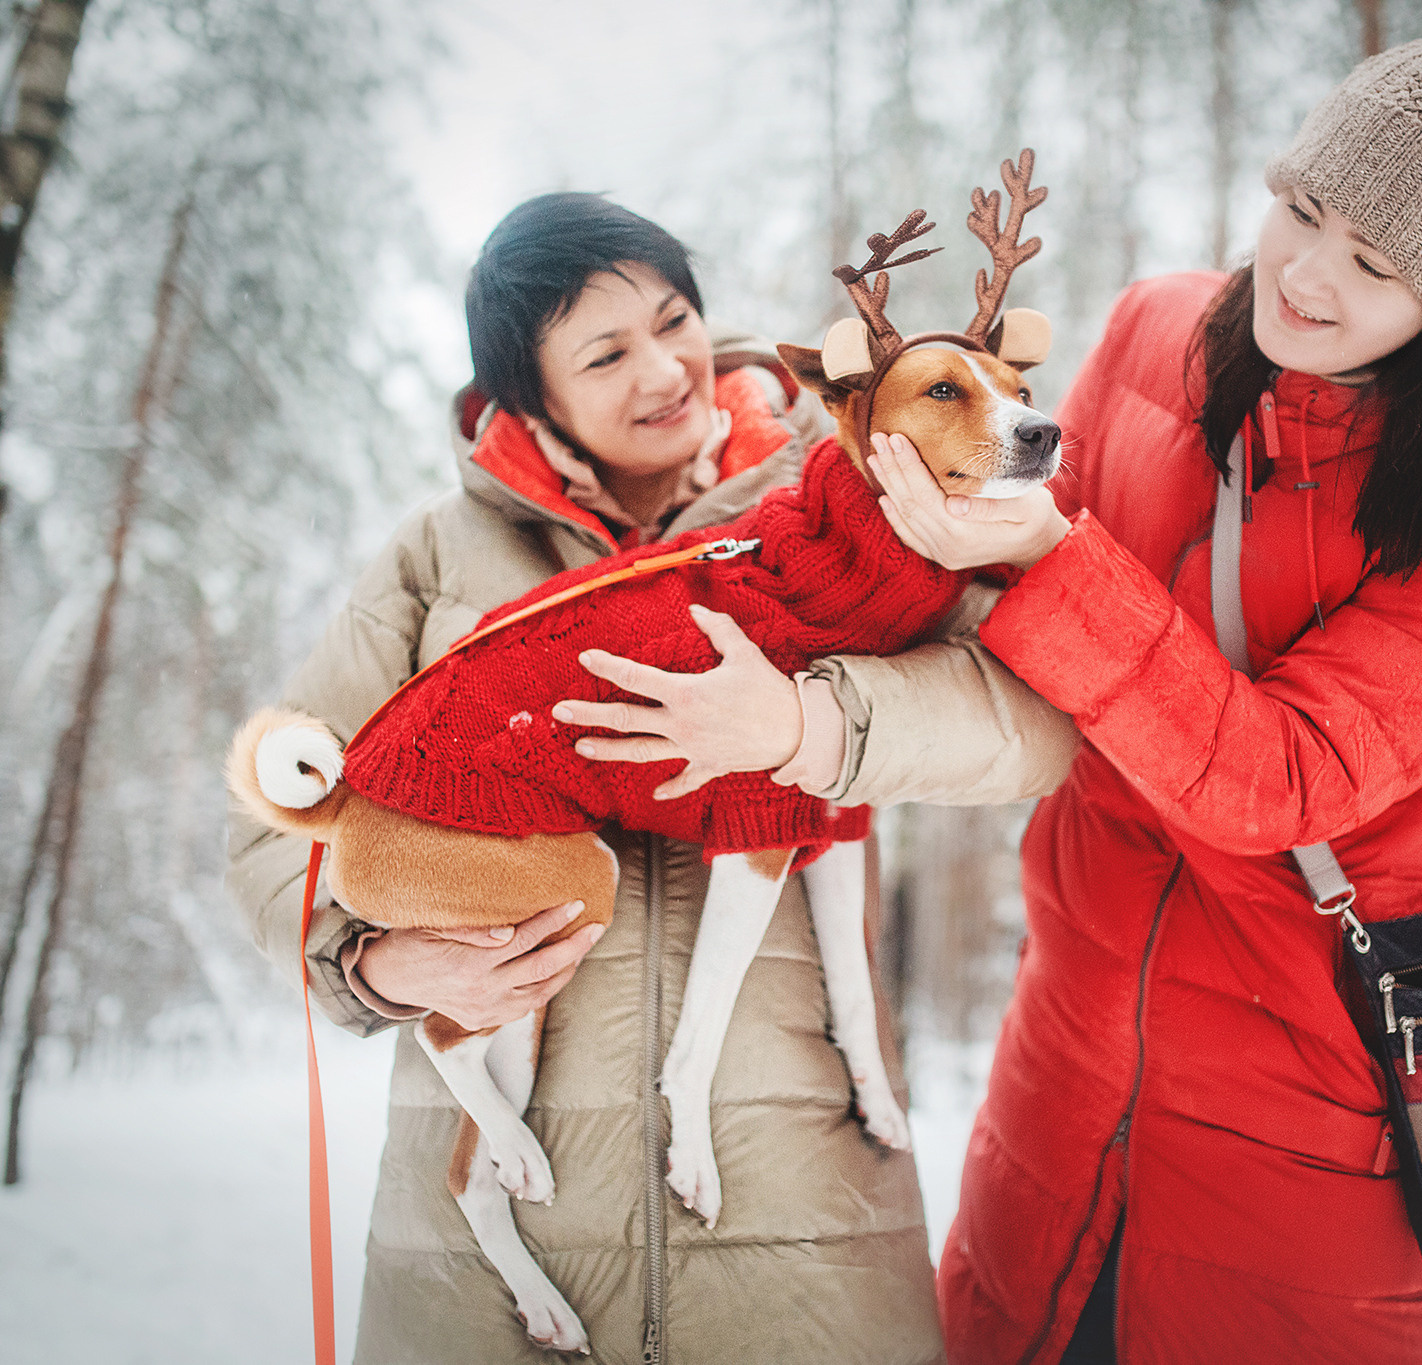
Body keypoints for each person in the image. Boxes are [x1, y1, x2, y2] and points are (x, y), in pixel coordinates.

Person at [568, 5, 1422, 1361]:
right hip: (1063, 1074)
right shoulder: (1158, 333)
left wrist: (1049, 556)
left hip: (1308, 1127)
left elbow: (1280, 777)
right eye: (1301, 211)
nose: (1305, 276)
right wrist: (803, 677)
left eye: (1375, 263)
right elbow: (1000, 651)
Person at [225, 193, 1031, 1363]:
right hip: (490, 1263)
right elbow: (280, 833)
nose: (662, 370)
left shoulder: (865, 506)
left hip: (794, 1215)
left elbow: (1024, 726)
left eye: (672, 320)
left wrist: (812, 725)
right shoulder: (437, 555)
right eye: (604, 355)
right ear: (531, 395)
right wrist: (373, 962)